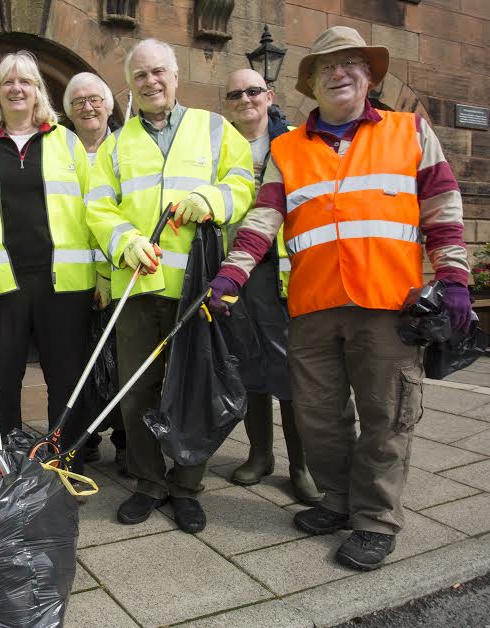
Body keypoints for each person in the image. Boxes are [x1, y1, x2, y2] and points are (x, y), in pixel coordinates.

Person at [208, 26, 473, 571]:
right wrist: (231, 275)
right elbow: (264, 220)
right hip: (312, 306)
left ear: (369, 76)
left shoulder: (410, 130)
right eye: (326, 66)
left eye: (350, 63)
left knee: (386, 415)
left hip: (388, 306)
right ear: (312, 82)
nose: (338, 72)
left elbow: (442, 208)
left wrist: (454, 280)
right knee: (318, 416)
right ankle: (338, 499)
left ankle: (375, 519)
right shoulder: (287, 148)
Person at [85, 38, 255, 533]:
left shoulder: (215, 129)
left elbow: (244, 183)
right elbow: (97, 205)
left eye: (158, 72)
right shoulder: (116, 144)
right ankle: (148, 482)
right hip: (137, 287)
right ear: (131, 86)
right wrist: (125, 241)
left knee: (193, 387)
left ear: (176, 76)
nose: (151, 82)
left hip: (195, 289)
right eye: (140, 76)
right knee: (137, 392)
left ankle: (186, 486)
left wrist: (213, 198)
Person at [0, 51, 102, 473]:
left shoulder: (66, 141)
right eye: (7, 81)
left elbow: (96, 207)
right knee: (0, 382)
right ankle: (5, 462)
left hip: (64, 283)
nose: (16, 88)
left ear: (37, 92)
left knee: (65, 379)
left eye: (25, 81)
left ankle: (65, 460)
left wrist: (102, 273)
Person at [220, 68, 321, 505]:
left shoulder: (296, 141)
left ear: (270, 95)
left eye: (254, 91)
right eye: (236, 93)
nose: (246, 99)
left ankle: (303, 466)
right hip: (234, 270)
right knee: (247, 365)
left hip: (279, 270)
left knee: (287, 367)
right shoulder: (220, 146)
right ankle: (260, 455)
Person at [62, 71, 128, 471]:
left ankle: (125, 437)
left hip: (119, 271)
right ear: (68, 112)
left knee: (121, 361)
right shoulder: (59, 148)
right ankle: (83, 438)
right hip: (70, 276)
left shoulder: (125, 147)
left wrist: (105, 273)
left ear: (108, 104)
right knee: (76, 361)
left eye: (95, 99)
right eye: (78, 102)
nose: (88, 107)